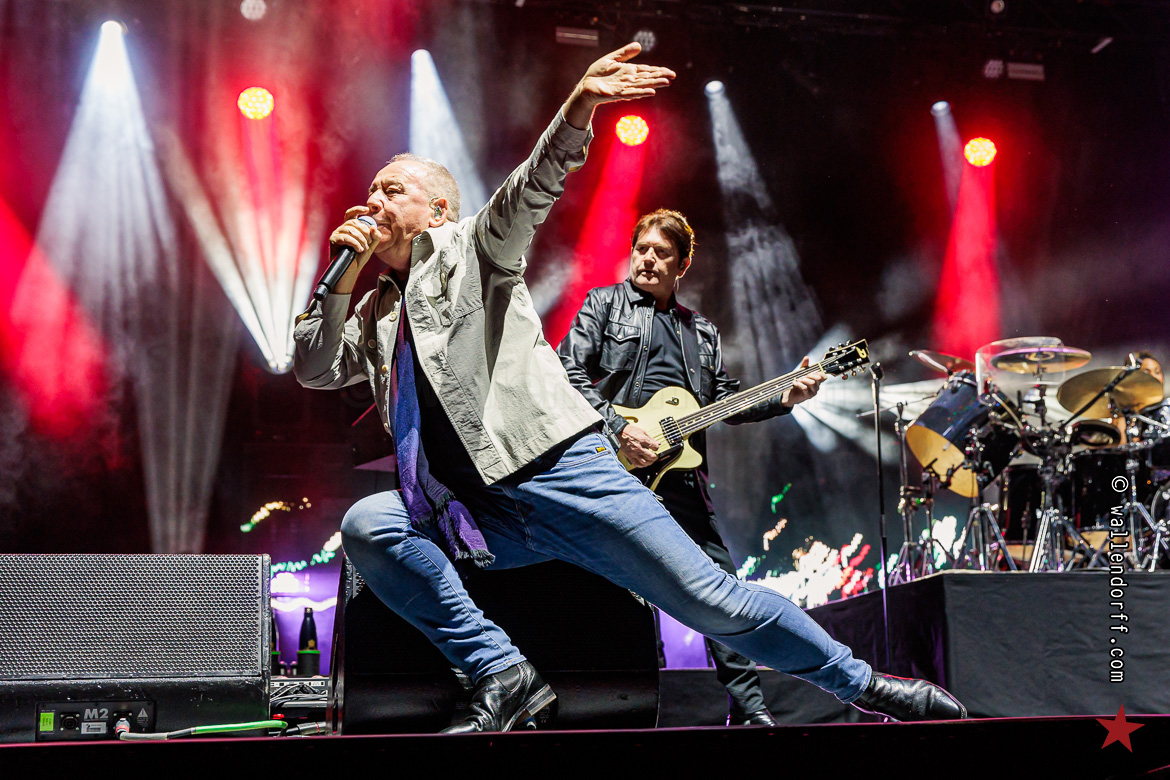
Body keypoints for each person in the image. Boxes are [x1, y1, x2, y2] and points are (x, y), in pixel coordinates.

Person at [294, 42, 966, 733]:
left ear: (437, 211)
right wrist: (341, 277)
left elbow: (531, 186)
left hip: (564, 473)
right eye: (371, 191)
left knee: (715, 603)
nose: (372, 201)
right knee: (370, 524)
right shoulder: (373, 310)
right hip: (476, 511)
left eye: (391, 190)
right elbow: (313, 366)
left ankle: (869, 687)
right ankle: (504, 674)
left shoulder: (474, 247)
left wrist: (580, 104)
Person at [556, 209, 824, 726]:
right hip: (612, 468)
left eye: (661, 253)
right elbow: (566, 369)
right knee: (614, 592)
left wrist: (784, 397)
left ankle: (749, 709)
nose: (647, 260)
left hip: (681, 481)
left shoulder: (701, 332)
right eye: (641, 249)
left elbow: (726, 402)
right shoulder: (604, 304)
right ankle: (616, 709)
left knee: (720, 590)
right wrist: (618, 428)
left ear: (681, 266)